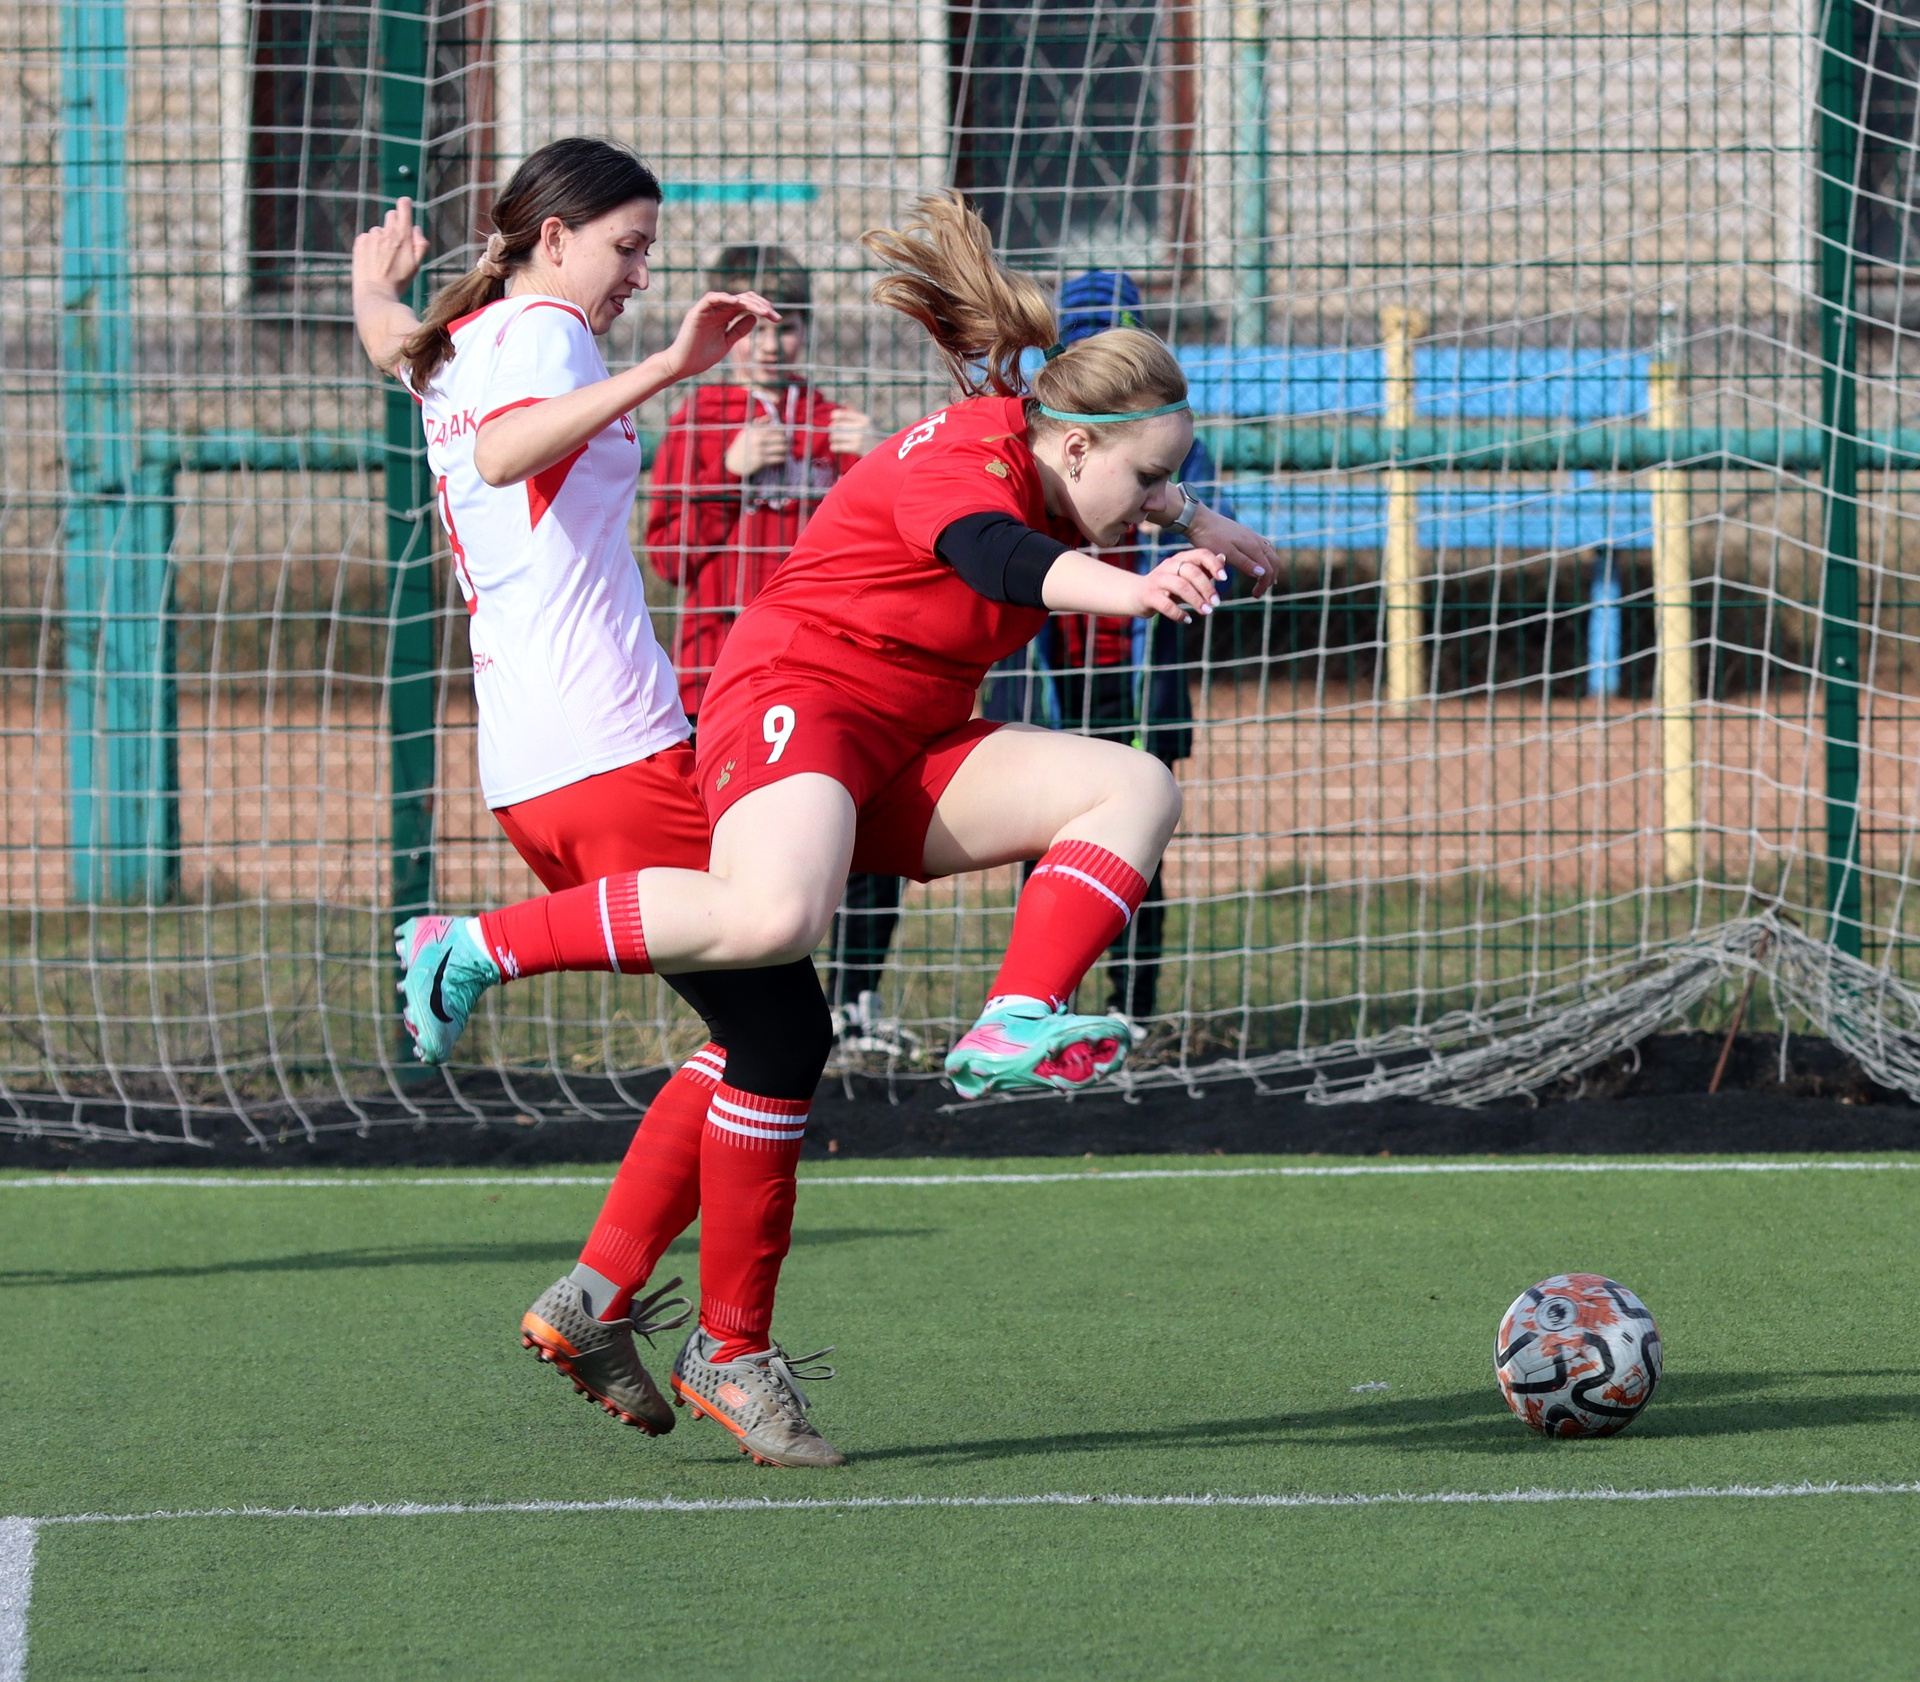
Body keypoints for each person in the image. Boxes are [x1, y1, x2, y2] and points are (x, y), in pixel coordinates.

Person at [403, 187, 1280, 1101]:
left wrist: (1191, 514)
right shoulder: (968, 459)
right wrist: (1134, 589)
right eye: (1150, 479)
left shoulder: (1053, 449)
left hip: (905, 734)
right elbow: (993, 554)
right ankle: (473, 946)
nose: (1153, 501)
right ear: (1077, 451)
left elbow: (1119, 474)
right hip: (799, 701)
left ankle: (1014, 1019)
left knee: (1137, 786)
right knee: (775, 920)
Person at [351, 136, 845, 1468]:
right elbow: (505, 450)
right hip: (608, 748)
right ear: (553, 238)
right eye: (627, 247)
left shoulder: (462, 336)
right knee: (783, 1029)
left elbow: (402, 348)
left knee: (756, 1030)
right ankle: (728, 1347)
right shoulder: (547, 334)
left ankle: (599, 1294)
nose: (638, 274)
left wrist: (371, 289)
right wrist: (671, 367)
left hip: (537, 766)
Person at [643, 246, 908, 1056]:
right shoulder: (698, 423)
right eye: (751, 329)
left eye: (785, 328)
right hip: (718, 676)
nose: (769, 344)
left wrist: (879, 462)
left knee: (861, 840)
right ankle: (746, 1022)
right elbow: (669, 556)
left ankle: (856, 1004)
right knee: (737, 859)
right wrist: (725, 476)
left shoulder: (837, 424)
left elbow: (890, 551)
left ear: (808, 332)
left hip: (825, 678)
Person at [1012, 269, 1239, 1024]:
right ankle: (1040, 1009)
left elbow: (1218, 542)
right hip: (1048, 677)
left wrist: (1188, 547)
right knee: (1040, 844)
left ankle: (1132, 1011)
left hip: (1139, 677)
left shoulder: (1173, 444)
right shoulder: (1035, 439)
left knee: (1138, 844)